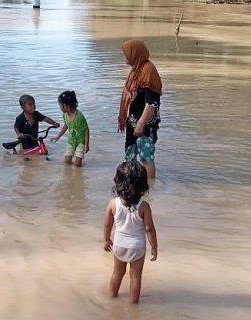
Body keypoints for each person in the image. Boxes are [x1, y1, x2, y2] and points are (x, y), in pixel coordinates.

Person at [103, 161, 158, 304]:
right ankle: (134, 305)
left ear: (118, 183)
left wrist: (106, 240)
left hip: (119, 245)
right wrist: (154, 247)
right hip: (137, 247)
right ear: (142, 185)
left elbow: (108, 224)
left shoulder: (113, 204)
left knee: (117, 273)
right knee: (135, 278)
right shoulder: (144, 206)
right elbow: (149, 229)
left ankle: (112, 299)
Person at [118, 39, 162, 180]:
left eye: (126, 54)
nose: (124, 57)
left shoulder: (148, 72)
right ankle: (132, 186)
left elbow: (151, 103)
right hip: (133, 122)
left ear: (135, 54)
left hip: (144, 124)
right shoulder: (136, 70)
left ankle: (149, 190)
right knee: (130, 156)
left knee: (146, 159)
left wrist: (141, 124)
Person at [51, 91, 90, 167]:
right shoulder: (65, 115)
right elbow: (66, 125)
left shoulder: (79, 117)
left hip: (80, 142)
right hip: (71, 141)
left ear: (66, 106)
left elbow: (86, 130)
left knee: (78, 164)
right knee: (67, 162)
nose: (60, 107)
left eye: (60, 105)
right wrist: (58, 136)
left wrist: (86, 144)